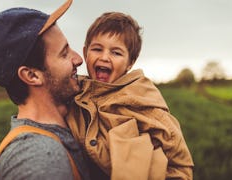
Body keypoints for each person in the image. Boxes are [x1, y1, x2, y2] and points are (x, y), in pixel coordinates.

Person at [66, 12, 194, 179]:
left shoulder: (141, 101)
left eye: (116, 53)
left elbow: (179, 162)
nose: (104, 57)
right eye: (97, 49)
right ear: (85, 53)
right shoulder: (74, 94)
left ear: (130, 62)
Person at [0, 0, 90, 179]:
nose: (78, 59)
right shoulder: (39, 159)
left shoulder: (77, 124)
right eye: (64, 53)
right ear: (32, 75)